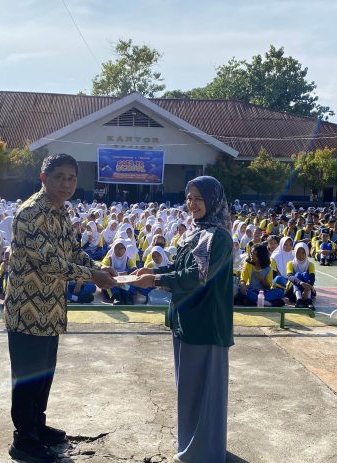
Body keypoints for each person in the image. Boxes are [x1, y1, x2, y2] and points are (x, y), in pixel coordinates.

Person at [3, 153, 117, 463]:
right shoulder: (30, 214)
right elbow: (49, 263)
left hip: (51, 310)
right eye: (59, 177)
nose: (66, 184)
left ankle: (37, 426)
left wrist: (99, 268)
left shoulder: (61, 212)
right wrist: (91, 276)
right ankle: (23, 440)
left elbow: (72, 252)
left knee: (44, 375)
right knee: (27, 378)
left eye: (71, 178)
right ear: (44, 178)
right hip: (27, 311)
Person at [134, 176, 233, 462]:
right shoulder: (196, 231)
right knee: (189, 390)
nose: (192, 204)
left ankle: (204, 452)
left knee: (203, 390)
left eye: (199, 198)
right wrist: (152, 271)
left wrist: (156, 280)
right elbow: (182, 266)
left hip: (205, 322)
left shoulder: (218, 237)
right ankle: (190, 444)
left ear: (213, 200)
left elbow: (196, 277)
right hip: (185, 320)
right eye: (189, 198)